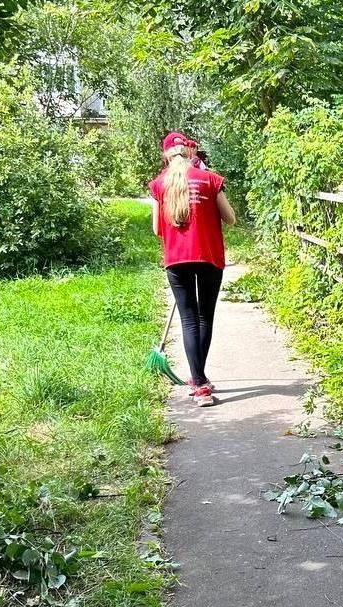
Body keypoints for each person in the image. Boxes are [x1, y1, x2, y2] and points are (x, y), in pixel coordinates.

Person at [149, 131, 236, 407]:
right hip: (209, 256)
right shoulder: (210, 179)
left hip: (177, 259)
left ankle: (199, 382)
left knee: (188, 320)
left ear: (166, 155)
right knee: (204, 318)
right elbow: (231, 219)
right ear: (190, 152)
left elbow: (156, 229)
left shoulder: (160, 185)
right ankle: (200, 382)